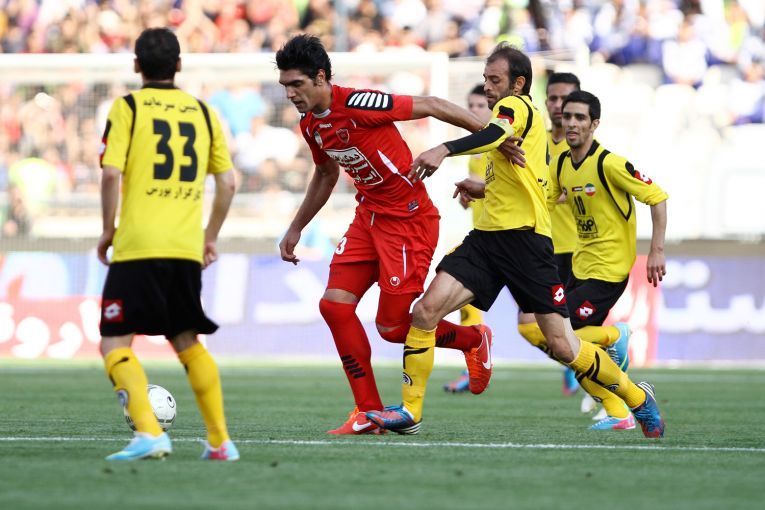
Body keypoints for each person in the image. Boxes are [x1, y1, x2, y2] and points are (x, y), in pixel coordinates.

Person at [366, 43, 665, 439]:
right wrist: (483, 187)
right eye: (486, 79)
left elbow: (494, 134)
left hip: (526, 243)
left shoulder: (517, 106)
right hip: (487, 240)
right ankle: (410, 410)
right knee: (425, 312)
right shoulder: (511, 121)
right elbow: (524, 177)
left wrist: (444, 148)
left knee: (563, 344)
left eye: (495, 80)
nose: (488, 87)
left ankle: (637, 399)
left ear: (518, 83)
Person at [275, 34, 521, 435]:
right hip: (368, 217)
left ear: (320, 77)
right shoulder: (310, 125)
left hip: (409, 222)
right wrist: (296, 226)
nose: (290, 94)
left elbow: (434, 104)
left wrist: (495, 138)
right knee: (334, 307)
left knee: (392, 329)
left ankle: (472, 339)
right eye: (285, 86)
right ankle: (366, 412)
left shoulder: (359, 103)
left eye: (296, 84)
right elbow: (325, 173)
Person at [98, 28, 239, 461]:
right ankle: (220, 441)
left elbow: (110, 173)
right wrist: (209, 237)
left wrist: (107, 230)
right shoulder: (204, 113)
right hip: (184, 248)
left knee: (114, 341)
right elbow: (228, 183)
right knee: (187, 340)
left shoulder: (127, 107)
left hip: (139, 245)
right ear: (178, 65)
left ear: (136, 65)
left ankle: (149, 433)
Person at [546, 89, 668, 430]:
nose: (572, 123)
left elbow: (657, 197)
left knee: (561, 334)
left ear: (594, 124)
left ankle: (616, 337)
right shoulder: (561, 164)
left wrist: (656, 250)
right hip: (579, 265)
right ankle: (620, 412)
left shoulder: (610, 164)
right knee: (572, 349)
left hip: (609, 270)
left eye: (580, 118)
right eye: (568, 117)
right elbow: (544, 199)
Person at [443, 84, 492, 394]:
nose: (473, 110)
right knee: (462, 294)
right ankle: (471, 360)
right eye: (470, 105)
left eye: (480, 105)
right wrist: (468, 196)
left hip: (514, 239)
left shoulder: (504, 144)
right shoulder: (476, 152)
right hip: (484, 239)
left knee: (538, 322)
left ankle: (583, 354)